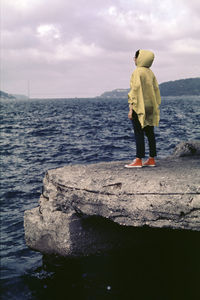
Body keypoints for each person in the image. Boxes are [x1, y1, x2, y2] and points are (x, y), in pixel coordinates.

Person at [125, 49, 161, 168]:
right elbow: (156, 90)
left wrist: (131, 109)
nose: (134, 59)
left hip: (139, 107)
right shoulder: (150, 73)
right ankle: (151, 159)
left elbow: (134, 91)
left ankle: (138, 159)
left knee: (138, 132)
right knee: (150, 133)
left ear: (139, 58)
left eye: (135, 57)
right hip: (150, 106)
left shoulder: (137, 72)